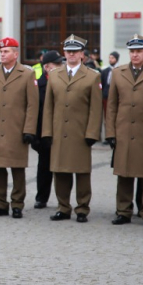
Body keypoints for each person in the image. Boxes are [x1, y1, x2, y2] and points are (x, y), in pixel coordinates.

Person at [42, 34, 102, 223]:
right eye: (68, 52)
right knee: (60, 171)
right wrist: (47, 132)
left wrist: (92, 132)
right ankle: (63, 207)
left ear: (82, 54)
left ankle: (82, 208)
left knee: (82, 172)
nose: (71, 55)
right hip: (59, 130)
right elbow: (48, 106)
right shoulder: (54, 75)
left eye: (75, 52)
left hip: (80, 131)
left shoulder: (92, 76)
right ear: (64, 54)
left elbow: (96, 108)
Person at [0, 37, 39, 219]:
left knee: (17, 167)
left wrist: (29, 129)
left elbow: (32, 105)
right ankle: (0, 203)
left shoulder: (27, 74)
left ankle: (17, 204)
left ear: (15, 54)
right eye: (1, 51)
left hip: (16, 128)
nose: (2, 55)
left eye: (6, 51)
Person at [105, 34, 143, 227]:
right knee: (124, 173)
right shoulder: (119, 73)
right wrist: (110, 132)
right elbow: (111, 106)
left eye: (138, 51)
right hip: (124, 130)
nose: (135, 55)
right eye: (132, 52)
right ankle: (123, 211)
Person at [32, 51, 63, 209]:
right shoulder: (38, 85)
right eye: (55, 65)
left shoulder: (64, 83)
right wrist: (36, 137)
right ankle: (41, 198)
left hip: (62, 132)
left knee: (63, 169)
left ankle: (63, 200)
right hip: (44, 134)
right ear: (46, 67)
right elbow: (35, 112)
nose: (59, 67)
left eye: (60, 64)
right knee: (44, 167)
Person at [100, 51, 120, 144]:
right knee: (106, 117)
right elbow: (102, 84)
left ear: (116, 59)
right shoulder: (105, 71)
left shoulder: (120, 70)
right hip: (106, 97)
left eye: (112, 58)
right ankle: (107, 136)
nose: (110, 60)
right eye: (109, 58)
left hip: (117, 98)